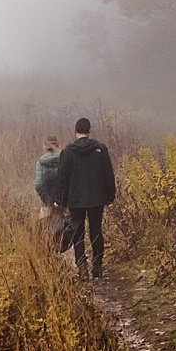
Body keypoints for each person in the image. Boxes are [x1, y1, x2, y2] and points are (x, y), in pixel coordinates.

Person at [53, 116, 116, 278]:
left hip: (75, 200)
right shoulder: (101, 149)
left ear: (75, 131)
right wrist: (110, 195)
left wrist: (59, 200)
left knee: (77, 232)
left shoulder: (67, 152)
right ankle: (98, 265)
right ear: (89, 131)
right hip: (97, 198)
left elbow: (62, 178)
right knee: (96, 231)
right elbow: (108, 175)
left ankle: (82, 267)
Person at [33, 136, 61, 220]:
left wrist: (48, 201)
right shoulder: (65, 159)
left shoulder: (41, 162)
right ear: (58, 145)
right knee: (67, 229)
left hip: (46, 203)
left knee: (45, 228)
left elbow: (38, 185)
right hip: (63, 203)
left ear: (45, 146)